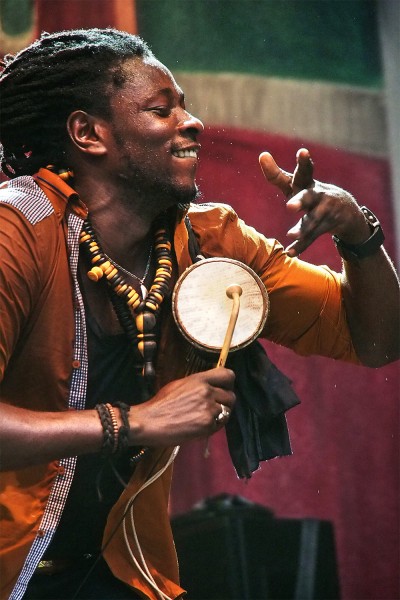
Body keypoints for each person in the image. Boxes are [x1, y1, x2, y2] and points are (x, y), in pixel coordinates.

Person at [0, 28, 398, 600]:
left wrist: (359, 233)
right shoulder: (18, 230)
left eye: (185, 107)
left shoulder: (211, 239)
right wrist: (134, 423)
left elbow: (376, 341)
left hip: (116, 572)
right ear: (88, 133)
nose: (193, 124)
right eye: (162, 110)